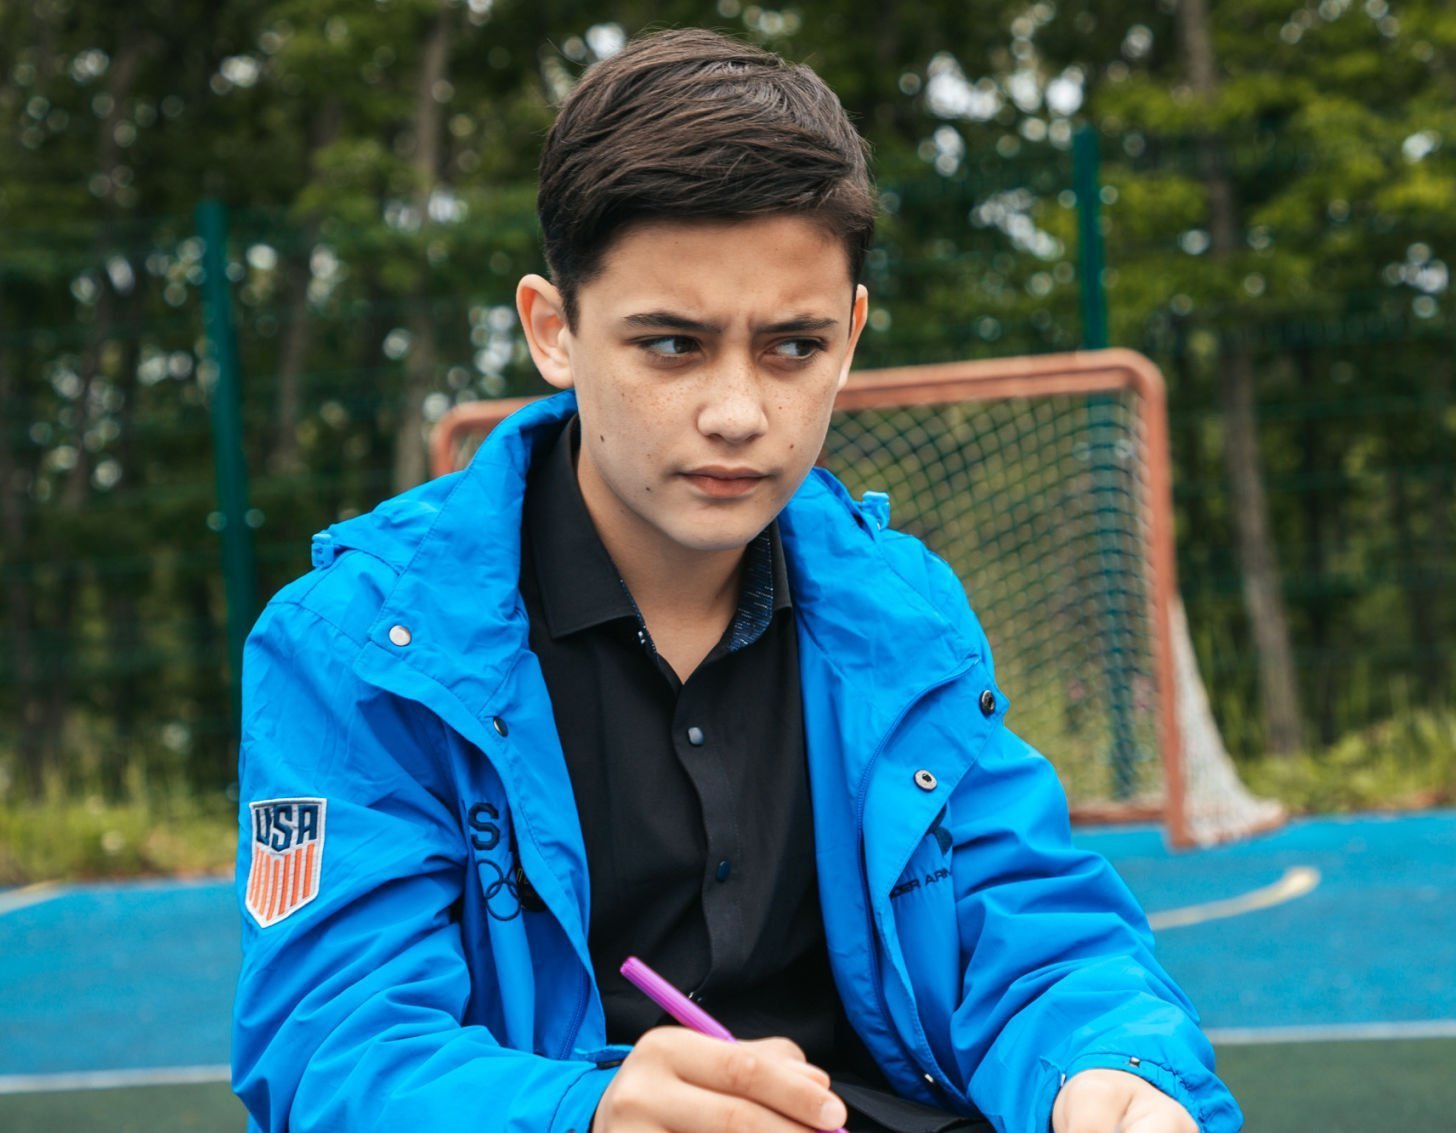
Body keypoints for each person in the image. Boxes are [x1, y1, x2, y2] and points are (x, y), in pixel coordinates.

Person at [231, 27, 1242, 1133]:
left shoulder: (902, 614)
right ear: (553, 331)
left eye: (791, 347)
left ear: (849, 336)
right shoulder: (358, 644)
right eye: (672, 345)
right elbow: (334, 1046)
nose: (736, 412)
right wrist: (585, 1114)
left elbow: (1031, 929)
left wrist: (1108, 1069)